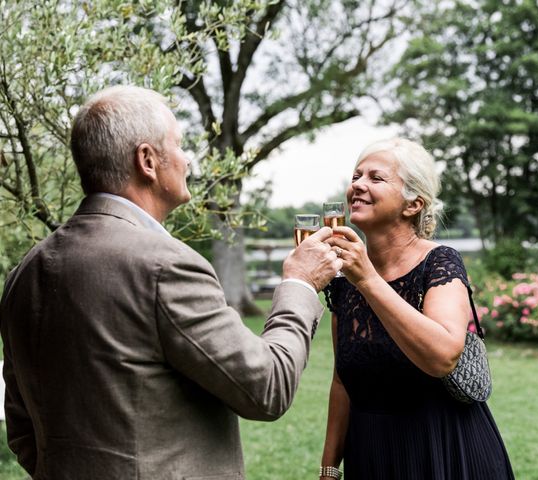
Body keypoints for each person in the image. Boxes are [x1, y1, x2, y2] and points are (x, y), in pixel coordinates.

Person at [0, 85, 342, 480]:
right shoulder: (166, 267)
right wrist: (298, 283)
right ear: (147, 160)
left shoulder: (24, 273)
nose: (188, 161)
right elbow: (267, 388)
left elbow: (23, 428)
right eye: (179, 145)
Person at [318, 138, 514, 479]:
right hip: (372, 455)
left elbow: (442, 357)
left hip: (443, 450)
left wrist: (367, 279)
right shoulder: (345, 280)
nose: (357, 186)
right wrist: (329, 468)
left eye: (376, 178)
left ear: (413, 204)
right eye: (356, 176)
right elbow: (341, 382)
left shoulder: (439, 263)